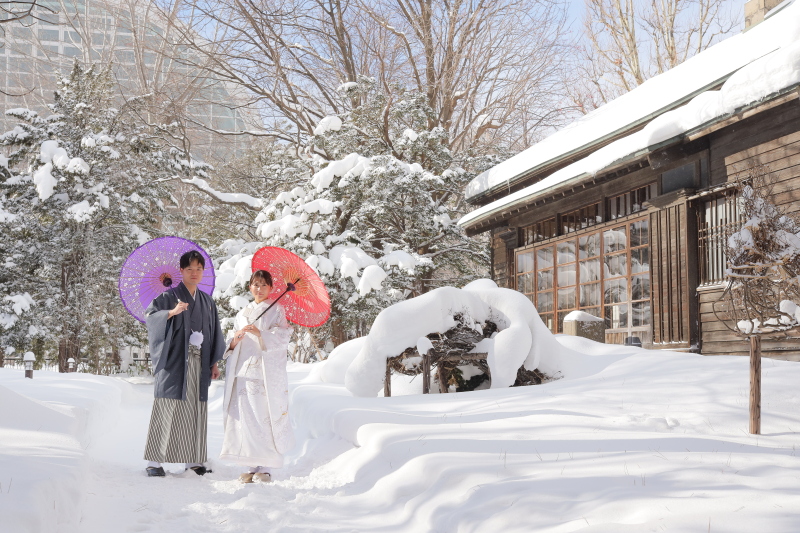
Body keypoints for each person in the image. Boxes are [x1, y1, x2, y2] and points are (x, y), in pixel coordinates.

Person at [143, 250, 225, 477]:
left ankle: (193, 460)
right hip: (175, 362)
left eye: (199, 269)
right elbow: (151, 317)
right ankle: (154, 462)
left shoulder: (207, 301)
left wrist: (213, 364)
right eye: (190, 269)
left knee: (194, 410)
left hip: (199, 362)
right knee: (168, 407)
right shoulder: (169, 297)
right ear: (181, 271)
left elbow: (214, 333)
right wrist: (171, 312)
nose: (195, 273)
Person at [220, 269, 295, 483]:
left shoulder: (276, 310)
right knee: (246, 418)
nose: (259, 289)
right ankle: (251, 465)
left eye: (264, 285)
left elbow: (283, 337)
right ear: (249, 287)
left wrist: (261, 333)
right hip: (243, 370)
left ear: (271, 288)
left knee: (264, 417)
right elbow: (231, 344)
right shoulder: (241, 313)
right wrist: (235, 339)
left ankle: (266, 466)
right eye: (255, 284)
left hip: (263, 373)